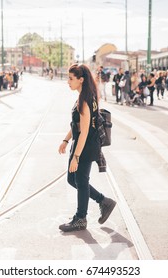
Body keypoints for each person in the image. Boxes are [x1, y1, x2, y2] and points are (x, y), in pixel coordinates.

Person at [58, 63, 116, 232]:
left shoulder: (84, 100)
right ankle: (104, 201)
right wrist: (66, 140)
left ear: (81, 80)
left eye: (70, 78)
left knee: (81, 181)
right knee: (72, 179)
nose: (68, 82)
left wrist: (76, 156)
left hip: (86, 145)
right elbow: (77, 126)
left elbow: (83, 132)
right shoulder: (84, 96)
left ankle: (81, 218)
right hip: (81, 144)